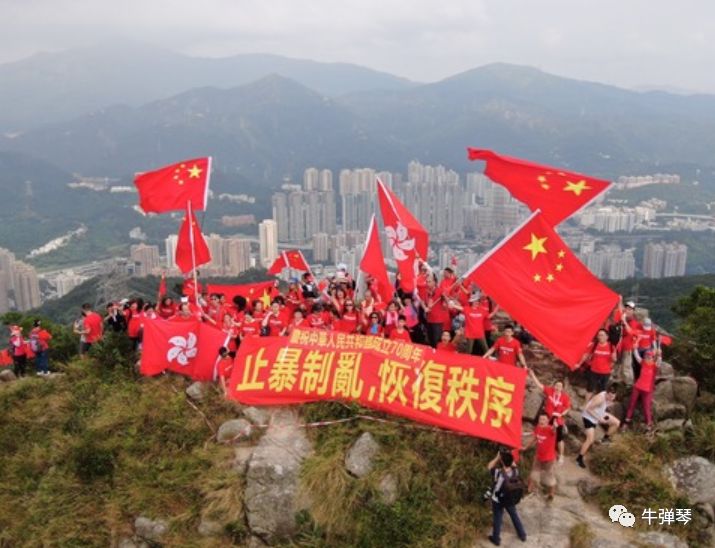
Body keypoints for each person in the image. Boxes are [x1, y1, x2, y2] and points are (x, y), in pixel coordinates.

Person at [528, 369, 571, 464]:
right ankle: (540, 451)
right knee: (542, 434)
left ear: (562, 388)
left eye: (560, 386)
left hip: (557, 419)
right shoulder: (550, 391)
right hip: (547, 418)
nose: (557, 387)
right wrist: (532, 374)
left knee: (559, 438)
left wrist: (562, 414)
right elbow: (539, 385)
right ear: (554, 385)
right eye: (556, 385)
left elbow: (567, 408)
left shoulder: (565, 397)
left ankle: (561, 456)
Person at [487, 450, 527, 545]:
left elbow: (489, 466)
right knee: (514, 515)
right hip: (510, 498)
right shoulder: (515, 471)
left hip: (498, 500)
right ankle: (522, 535)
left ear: (501, 461)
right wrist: (509, 456)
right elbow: (512, 463)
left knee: (498, 518)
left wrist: (497, 458)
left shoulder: (499, 473)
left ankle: (496, 539)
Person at [576, 385, 620, 469]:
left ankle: (604, 439)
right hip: (588, 417)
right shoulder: (600, 399)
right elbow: (588, 409)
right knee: (590, 439)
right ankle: (579, 459)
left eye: (613, 397)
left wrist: (602, 414)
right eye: (610, 396)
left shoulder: (607, 397)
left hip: (599, 413)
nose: (611, 398)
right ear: (607, 393)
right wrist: (599, 419)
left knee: (616, 423)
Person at [623, 348, 660, 433]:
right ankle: (626, 422)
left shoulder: (655, 366)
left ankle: (649, 426)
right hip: (638, 387)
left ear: (652, 357)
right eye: (646, 356)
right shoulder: (643, 362)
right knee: (631, 404)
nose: (647, 358)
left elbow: (659, 361)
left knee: (646, 407)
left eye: (649, 356)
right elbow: (636, 356)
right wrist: (635, 348)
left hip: (647, 390)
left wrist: (659, 354)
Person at [579, 328, 616, 401]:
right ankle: (586, 405)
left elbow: (614, 360)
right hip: (594, 371)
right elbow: (586, 355)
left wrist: (614, 358)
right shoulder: (594, 345)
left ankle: (599, 407)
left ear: (607, 337)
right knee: (589, 389)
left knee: (603, 391)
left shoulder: (611, 347)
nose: (600, 337)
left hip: (605, 372)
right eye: (598, 335)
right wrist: (579, 364)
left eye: (602, 335)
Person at [527, 413, 558, 501]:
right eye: (540, 419)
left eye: (544, 419)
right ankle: (529, 490)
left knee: (549, 476)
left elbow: (554, 430)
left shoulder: (550, 429)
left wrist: (555, 426)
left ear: (547, 421)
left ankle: (551, 494)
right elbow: (535, 438)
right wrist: (526, 447)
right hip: (538, 456)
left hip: (549, 458)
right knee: (533, 473)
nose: (542, 421)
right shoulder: (538, 428)